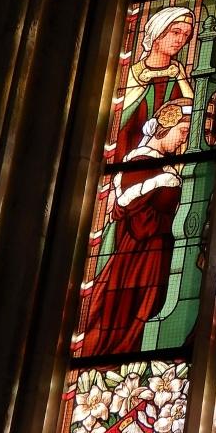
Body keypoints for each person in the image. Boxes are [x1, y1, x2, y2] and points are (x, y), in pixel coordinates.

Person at [80, 100, 192, 354]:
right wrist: (175, 222)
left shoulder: (162, 166)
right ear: (165, 128)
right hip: (140, 258)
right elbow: (143, 224)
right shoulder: (141, 163)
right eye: (182, 132)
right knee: (130, 314)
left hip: (155, 253)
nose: (183, 141)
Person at [112, 6, 194, 163]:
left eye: (186, 35)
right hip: (127, 157)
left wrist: (179, 77)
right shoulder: (132, 77)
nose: (180, 40)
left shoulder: (178, 74)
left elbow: (193, 113)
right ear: (158, 33)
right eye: (175, 32)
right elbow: (118, 125)